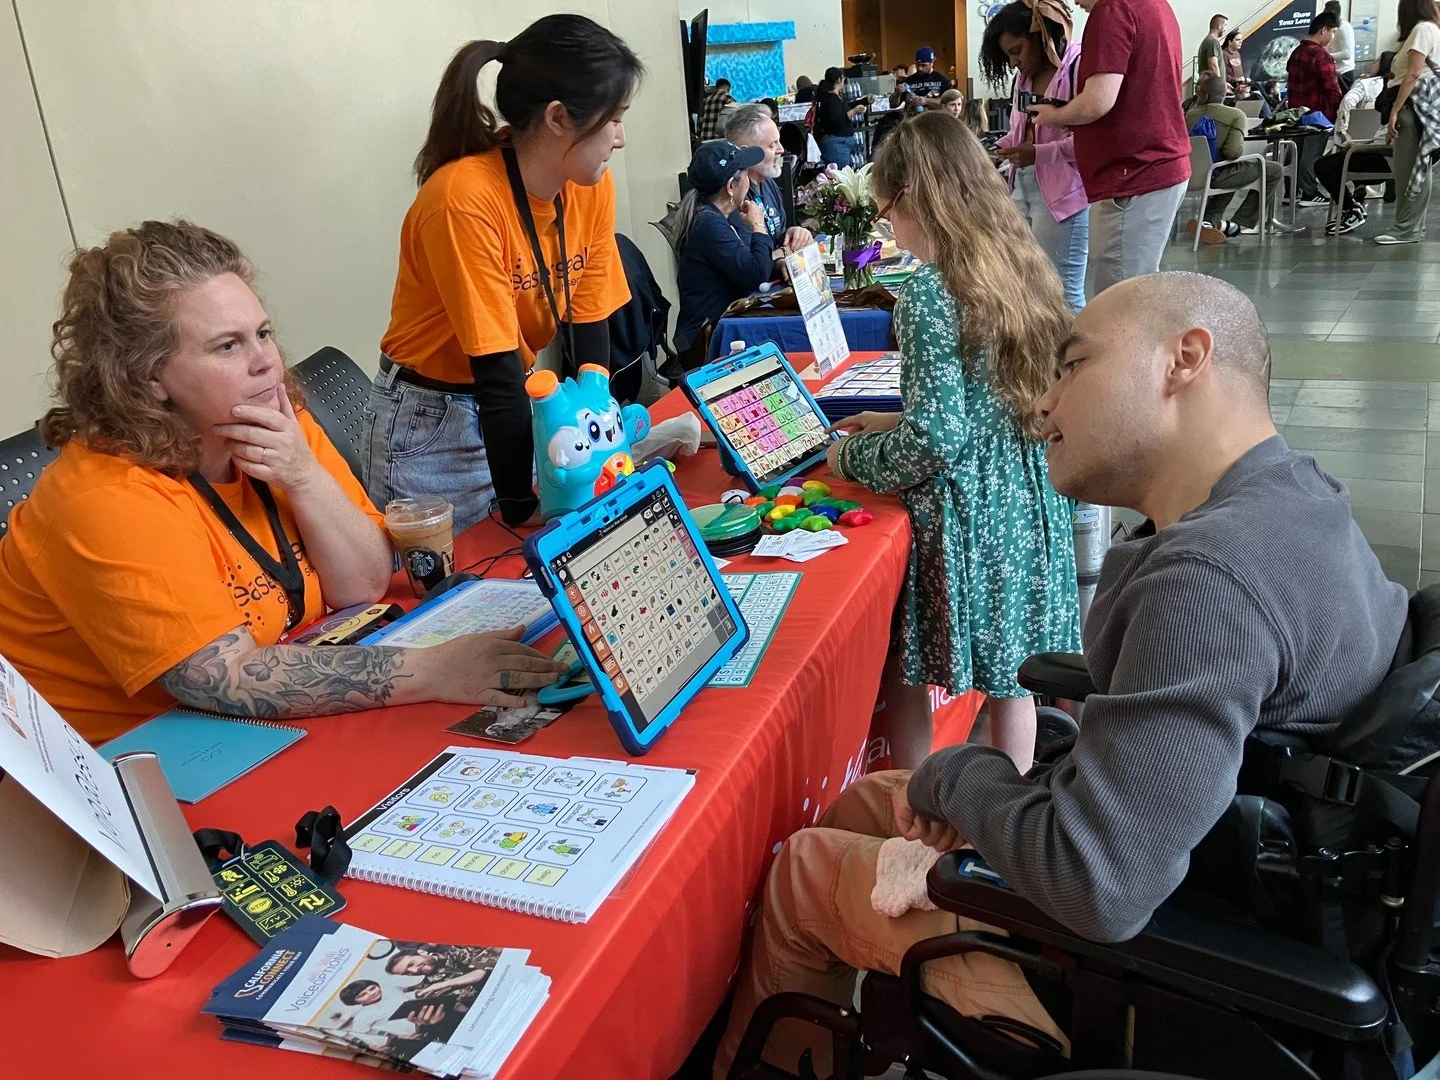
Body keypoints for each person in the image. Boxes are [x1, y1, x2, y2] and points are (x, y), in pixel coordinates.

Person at [714, 270, 1407, 1079]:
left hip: (1166, 980)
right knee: (876, 799)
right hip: (1243, 866)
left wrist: (959, 774)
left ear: (1184, 359)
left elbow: (1096, 884)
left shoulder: (1206, 582)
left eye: (1073, 366)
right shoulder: (1295, 495)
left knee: (804, 871)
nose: (1044, 403)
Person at [0, 221, 568, 744]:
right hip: (130, 757)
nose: (267, 363)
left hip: (242, 722)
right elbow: (220, 678)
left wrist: (302, 474)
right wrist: (434, 670)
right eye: (228, 346)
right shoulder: (106, 496)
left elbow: (364, 584)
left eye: (263, 333)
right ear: (148, 378)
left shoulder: (274, 422)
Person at [824, 112, 1080, 775]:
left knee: (905, 666)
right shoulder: (1017, 262)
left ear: (913, 195)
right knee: (1015, 680)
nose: (890, 229)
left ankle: (910, 800)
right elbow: (987, 397)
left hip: (971, 515)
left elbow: (938, 439)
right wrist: (893, 419)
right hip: (1026, 496)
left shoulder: (929, 292)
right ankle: (1010, 806)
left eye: (887, 213)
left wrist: (848, 457)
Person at [367, 17, 641, 534]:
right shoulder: (463, 200)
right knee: (475, 572)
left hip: (516, 408)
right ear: (558, 117)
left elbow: (590, 325)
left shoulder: (589, 185)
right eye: (614, 120)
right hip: (435, 423)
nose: (621, 139)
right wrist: (519, 506)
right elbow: (495, 369)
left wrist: (598, 437)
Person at [1028, 0, 1191, 295]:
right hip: (1153, 165)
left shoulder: (1113, 9)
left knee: (1120, 296)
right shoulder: (1153, 6)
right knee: (1133, 286)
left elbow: (1097, 102)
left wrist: (1055, 116)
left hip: (1134, 172)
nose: (1075, 2)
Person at [984, 0, 1090, 312]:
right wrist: (995, 150)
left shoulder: (1078, 66)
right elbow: (1020, 132)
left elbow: (1088, 141)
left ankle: (1076, 347)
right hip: (1023, 187)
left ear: (1039, 37)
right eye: (1008, 56)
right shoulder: (1023, 78)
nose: (1014, 61)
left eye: (1017, 50)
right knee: (1030, 289)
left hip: (1064, 196)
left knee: (1064, 295)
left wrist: (1038, 154)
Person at [671, 140, 774, 363]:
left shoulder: (715, 216)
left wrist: (778, 261)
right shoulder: (709, 224)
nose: (749, 182)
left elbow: (749, 264)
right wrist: (759, 225)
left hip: (721, 327)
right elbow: (757, 275)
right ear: (730, 187)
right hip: (707, 342)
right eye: (745, 174)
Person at [1184, 73, 1283, 243]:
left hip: (1191, 176)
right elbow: (1233, 152)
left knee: (1231, 170)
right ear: (1224, 94)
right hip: (1217, 175)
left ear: (1203, 95)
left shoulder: (1189, 114)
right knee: (1273, 169)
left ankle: (1208, 221)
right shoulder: (1236, 115)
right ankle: (1239, 224)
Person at [1376, 0, 1440, 245]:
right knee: (1418, 166)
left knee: (1409, 168)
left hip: (1412, 107)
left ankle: (1405, 229)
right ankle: (1412, 226)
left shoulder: (1422, 30)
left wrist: (1395, 110)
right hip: (1423, 107)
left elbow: (1412, 74)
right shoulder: (1431, 29)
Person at [1318, 53, 1395, 234]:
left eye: (1376, 60)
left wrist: (1343, 129)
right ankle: (1356, 201)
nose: (1373, 63)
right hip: (1381, 149)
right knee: (1339, 160)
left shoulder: (1366, 85)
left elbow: (1347, 102)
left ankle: (1351, 208)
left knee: (1325, 165)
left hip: (1381, 154)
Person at [723, 103, 815, 254]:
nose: (781, 149)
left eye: (779, 141)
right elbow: (749, 262)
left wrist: (794, 234)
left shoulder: (768, 183)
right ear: (747, 152)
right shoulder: (732, 197)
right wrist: (785, 252)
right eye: (772, 145)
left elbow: (778, 237)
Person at [813, 71, 867, 166]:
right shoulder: (831, 99)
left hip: (840, 143)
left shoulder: (832, 97)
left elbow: (845, 107)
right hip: (837, 144)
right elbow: (837, 120)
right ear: (839, 80)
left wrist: (865, 101)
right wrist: (854, 112)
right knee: (839, 172)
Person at [1327, 0, 1358, 90]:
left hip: (1344, 73)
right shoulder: (1336, 28)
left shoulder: (1344, 28)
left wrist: (1327, 56)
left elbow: (1347, 54)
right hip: (1337, 71)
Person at [1197, 13, 1228, 77]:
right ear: (1219, 26)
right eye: (1225, 25)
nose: (1225, 29)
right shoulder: (1213, 42)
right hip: (1213, 83)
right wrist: (1219, 82)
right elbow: (1213, 65)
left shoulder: (1206, 41)